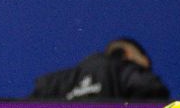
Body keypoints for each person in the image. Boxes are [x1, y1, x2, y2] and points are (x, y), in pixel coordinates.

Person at [30, 37, 169, 100]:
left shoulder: (55, 82)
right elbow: (152, 94)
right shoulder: (127, 72)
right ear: (128, 54)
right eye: (145, 66)